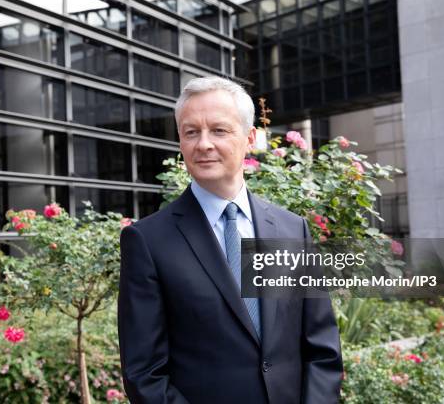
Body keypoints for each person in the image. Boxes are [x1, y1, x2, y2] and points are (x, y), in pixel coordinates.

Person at [118, 76, 342, 404]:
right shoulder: (148, 242)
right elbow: (144, 374)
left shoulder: (292, 230)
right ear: (180, 141)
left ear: (250, 137)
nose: (203, 144)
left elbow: (322, 351)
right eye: (191, 132)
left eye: (219, 130)